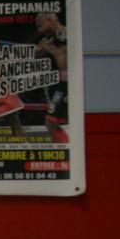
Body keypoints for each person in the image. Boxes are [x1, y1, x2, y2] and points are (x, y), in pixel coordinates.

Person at [35, 12, 70, 143]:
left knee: (73, 118)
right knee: (50, 122)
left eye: (40, 25)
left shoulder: (71, 33)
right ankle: (67, 148)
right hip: (62, 85)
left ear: (50, 19)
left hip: (75, 83)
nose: (39, 30)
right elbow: (32, 54)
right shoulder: (45, 42)